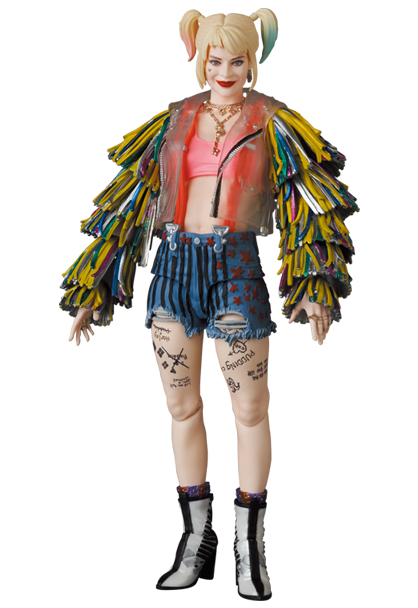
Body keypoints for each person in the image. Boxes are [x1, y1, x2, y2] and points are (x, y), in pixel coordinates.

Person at [60, 9, 358, 601]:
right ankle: (197, 541)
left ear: (253, 61)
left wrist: (315, 283)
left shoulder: (274, 122)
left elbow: (308, 199)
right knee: (181, 405)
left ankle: (251, 545)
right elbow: (129, 199)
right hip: (173, 267)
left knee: (249, 406)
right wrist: (94, 287)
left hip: (236, 268)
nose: (225, 71)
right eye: (215, 59)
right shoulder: (174, 120)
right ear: (200, 58)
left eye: (237, 60)